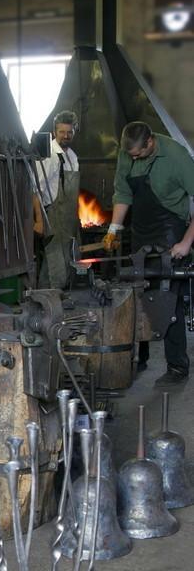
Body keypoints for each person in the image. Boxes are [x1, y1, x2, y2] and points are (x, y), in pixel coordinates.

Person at [104, 121, 194, 386]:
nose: (133, 158)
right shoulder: (127, 153)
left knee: (169, 297)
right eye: (130, 155)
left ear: (151, 142)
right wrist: (113, 228)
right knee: (138, 293)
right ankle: (137, 359)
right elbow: (122, 193)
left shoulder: (177, 157)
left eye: (138, 155)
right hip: (141, 228)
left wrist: (186, 243)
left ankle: (177, 365)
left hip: (170, 228)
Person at [36, 110, 80, 290]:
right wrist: (39, 221)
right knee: (55, 266)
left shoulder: (73, 156)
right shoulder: (50, 156)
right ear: (55, 132)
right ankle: (49, 305)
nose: (66, 136)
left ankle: (47, 300)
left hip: (69, 220)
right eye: (61, 132)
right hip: (52, 217)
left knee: (66, 263)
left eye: (69, 132)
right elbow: (35, 190)